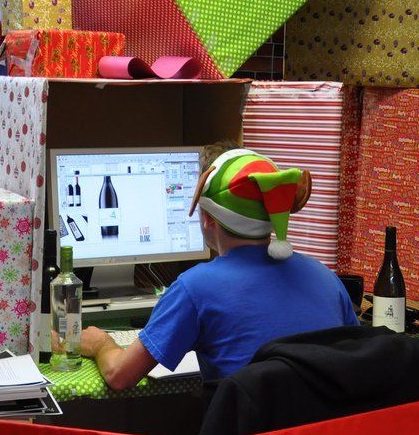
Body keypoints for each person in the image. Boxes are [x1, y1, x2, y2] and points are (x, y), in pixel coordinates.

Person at [80, 146, 360, 391]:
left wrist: (102, 344)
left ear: (207, 219)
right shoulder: (325, 277)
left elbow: (120, 376)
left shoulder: (195, 288)